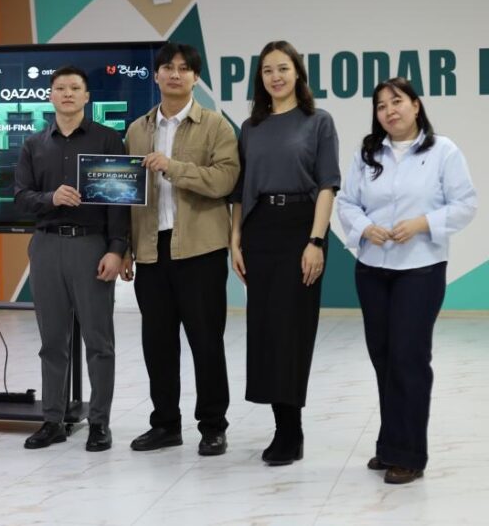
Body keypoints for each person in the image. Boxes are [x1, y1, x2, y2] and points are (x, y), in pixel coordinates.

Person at [337, 77, 476, 484]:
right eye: (381, 106)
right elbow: (346, 202)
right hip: (372, 267)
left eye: (396, 102)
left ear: (416, 106)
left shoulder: (443, 151)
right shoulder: (367, 153)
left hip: (421, 268)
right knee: (383, 358)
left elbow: (465, 204)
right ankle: (390, 444)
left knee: (408, 358)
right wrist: (365, 227)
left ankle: (410, 454)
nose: (389, 111)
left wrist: (422, 223)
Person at [121, 43, 240, 456]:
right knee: (157, 345)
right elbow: (125, 194)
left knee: (206, 343)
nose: (175, 74)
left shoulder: (216, 126)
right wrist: (126, 248)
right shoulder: (137, 130)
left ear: (195, 78)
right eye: (168, 67)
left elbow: (225, 180)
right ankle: (165, 424)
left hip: (201, 251)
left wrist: (173, 168)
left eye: (184, 68)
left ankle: (213, 426)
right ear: (156, 75)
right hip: (151, 251)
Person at [230, 40, 340, 466]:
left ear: (297, 73)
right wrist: (235, 239)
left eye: (283, 68)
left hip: (300, 228)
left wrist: (316, 241)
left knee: (293, 330)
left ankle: (291, 431)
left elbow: (327, 184)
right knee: (265, 330)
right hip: (260, 230)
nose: (275, 77)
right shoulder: (250, 127)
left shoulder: (318, 121)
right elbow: (241, 190)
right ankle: (282, 426)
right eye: (267, 70)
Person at [15, 65, 128, 452]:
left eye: (74, 88)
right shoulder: (34, 144)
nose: (67, 94)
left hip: (91, 246)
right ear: (51, 96)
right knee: (52, 342)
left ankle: (99, 423)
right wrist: (51, 198)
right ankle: (52, 421)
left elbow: (120, 201)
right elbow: (21, 197)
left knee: (99, 341)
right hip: (46, 246)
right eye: (60, 88)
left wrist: (116, 249)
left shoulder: (108, 139)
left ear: (86, 96)